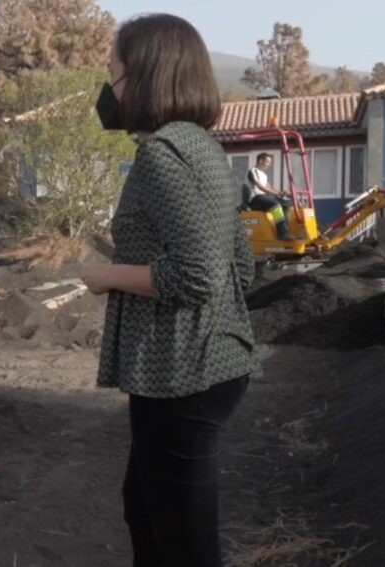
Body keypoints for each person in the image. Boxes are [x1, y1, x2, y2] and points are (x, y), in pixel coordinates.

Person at [83, 14, 261, 567]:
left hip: (181, 374)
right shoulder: (203, 147)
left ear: (145, 76)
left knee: (184, 544)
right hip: (210, 365)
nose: (109, 88)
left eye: (113, 72)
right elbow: (241, 265)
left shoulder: (162, 154)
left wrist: (109, 275)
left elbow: (198, 275)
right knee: (145, 510)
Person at [246, 153, 295, 240]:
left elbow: (269, 187)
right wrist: (276, 194)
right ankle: (283, 234)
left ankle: (285, 229)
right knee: (276, 204)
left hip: (266, 197)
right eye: (268, 162)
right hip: (257, 198)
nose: (269, 164)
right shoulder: (253, 171)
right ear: (261, 160)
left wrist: (281, 193)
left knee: (288, 203)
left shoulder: (264, 175)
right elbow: (260, 187)